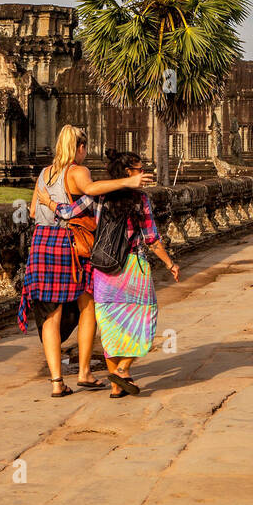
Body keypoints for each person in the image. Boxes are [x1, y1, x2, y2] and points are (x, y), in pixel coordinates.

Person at [22, 125, 153, 397]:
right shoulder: (78, 171)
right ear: (79, 148)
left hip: (41, 244)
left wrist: (51, 204)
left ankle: (57, 382)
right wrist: (128, 182)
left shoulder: (45, 174)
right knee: (88, 305)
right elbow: (92, 190)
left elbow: (34, 210)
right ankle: (84, 372)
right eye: (84, 149)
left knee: (50, 314)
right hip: (70, 246)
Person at [57, 149, 181, 398]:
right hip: (133, 267)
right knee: (145, 318)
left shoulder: (99, 195)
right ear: (128, 173)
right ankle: (123, 369)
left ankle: (116, 387)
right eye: (140, 169)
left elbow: (67, 212)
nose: (143, 172)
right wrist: (170, 263)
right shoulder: (140, 199)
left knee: (111, 327)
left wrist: (45, 201)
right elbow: (151, 239)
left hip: (103, 269)